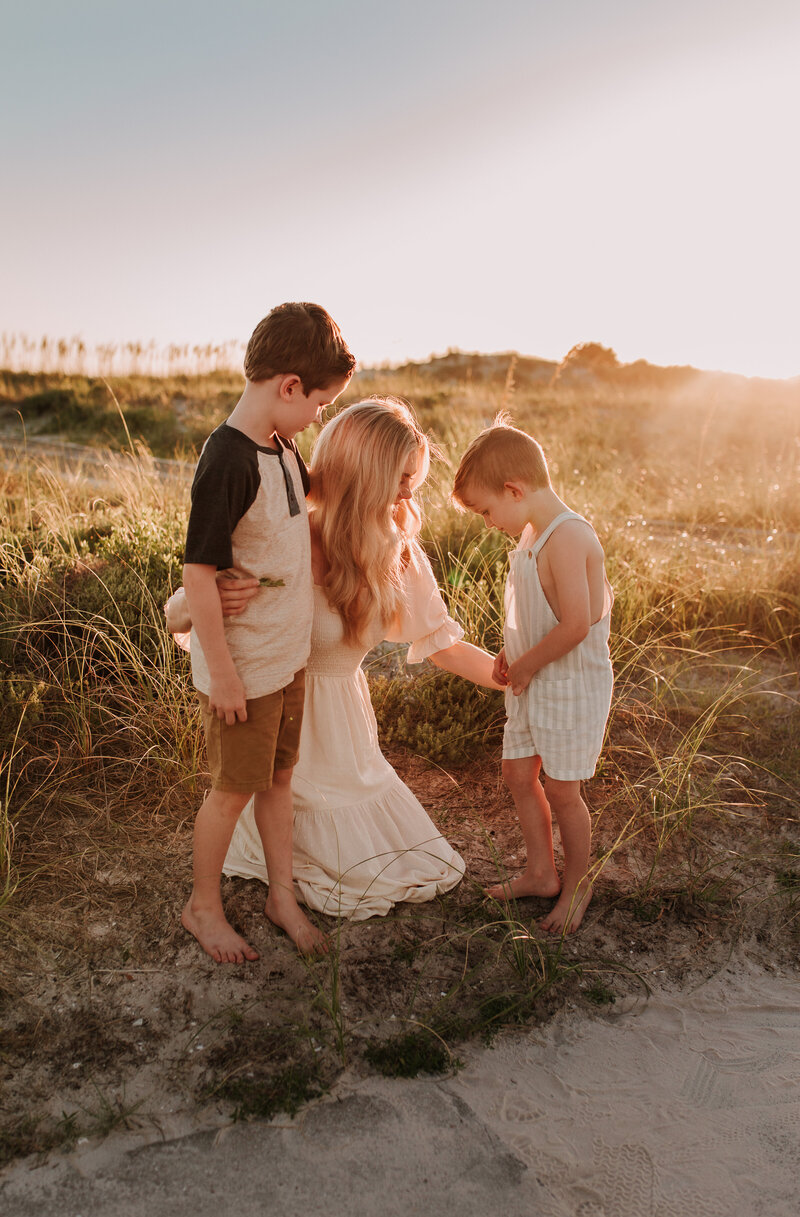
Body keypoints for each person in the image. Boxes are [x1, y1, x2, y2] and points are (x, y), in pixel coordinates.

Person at [168, 399, 502, 924]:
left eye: (414, 479)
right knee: (322, 843)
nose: (409, 493)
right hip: (279, 706)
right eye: (402, 477)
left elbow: (443, 646)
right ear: (365, 473)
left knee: (402, 863)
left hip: (345, 734)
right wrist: (197, 600)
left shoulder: (398, 551)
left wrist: (511, 676)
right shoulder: (288, 535)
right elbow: (182, 607)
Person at [179, 301, 354, 964]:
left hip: (286, 658)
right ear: (289, 387)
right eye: (322, 403)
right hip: (244, 667)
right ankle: (202, 905)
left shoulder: (281, 445)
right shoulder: (227, 459)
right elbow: (199, 575)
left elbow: (298, 516)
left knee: (279, 780)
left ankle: (282, 894)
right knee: (231, 791)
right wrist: (222, 672)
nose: (319, 415)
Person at [452, 415, 613, 934]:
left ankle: (577, 886)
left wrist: (522, 665)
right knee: (519, 773)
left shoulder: (567, 537)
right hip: (531, 678)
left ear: (514, 489)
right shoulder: (531, 533)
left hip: (568, 685)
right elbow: (533, 611)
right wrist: (509, 650)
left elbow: (573, 626)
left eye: (486, 510)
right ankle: (541, 873)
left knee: (564, 789)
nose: (486, 521)